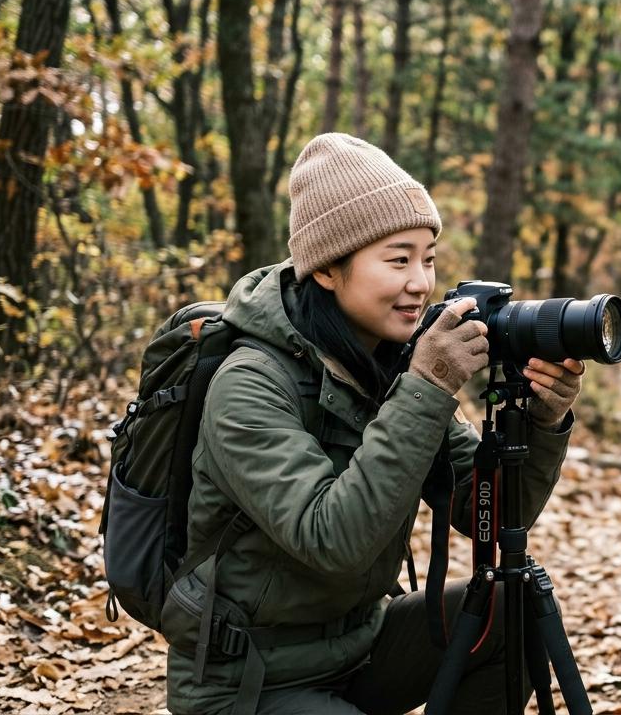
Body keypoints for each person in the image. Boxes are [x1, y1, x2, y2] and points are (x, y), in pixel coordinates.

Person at [160, 133, 583, 714]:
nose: (420, 282)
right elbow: (332, 540)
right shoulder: (250, 383)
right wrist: (428, 387)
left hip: (359, 648)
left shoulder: (390, 364)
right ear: (330, 270)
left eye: (428, 258)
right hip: (250, 682)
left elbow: (490, 512)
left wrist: (543, 420)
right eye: (397, 259)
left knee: (513, 611)